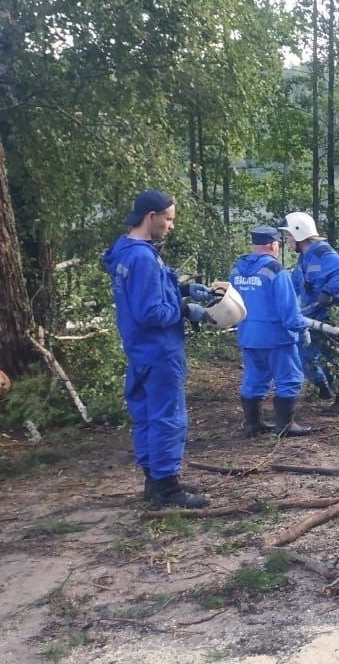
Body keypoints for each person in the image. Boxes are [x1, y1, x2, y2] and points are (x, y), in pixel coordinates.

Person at [101, 190, 211, 508]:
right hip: (160, 349)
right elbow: (151, 312)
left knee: (146, 415)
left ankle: (153, 481)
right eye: (169, 219)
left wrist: (184, 288)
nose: (171, 226)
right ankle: (168, 488)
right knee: (168, 417)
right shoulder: (143, 258)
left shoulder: (126, 250)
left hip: (139, 349)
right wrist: (187, 310)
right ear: (152, 217)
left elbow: (151, 290)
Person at [230, 226, 313, 438]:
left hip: (248, 335)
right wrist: (301, 328)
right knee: (289, 378)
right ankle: (285, 426)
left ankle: (253, 425)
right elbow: (288, 308)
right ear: (273, 245)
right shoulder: (275, 270)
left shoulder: (236, 270)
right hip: (277, 337)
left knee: (254, 378)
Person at [279, 211, 339, 410]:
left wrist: (329, 292)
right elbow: (296, 284)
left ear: (299, 234)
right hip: (312, 314)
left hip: (332, 314)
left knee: (335, 355)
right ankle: (323, 386)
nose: (287, 241)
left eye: (288, 237)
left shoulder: (323, 254)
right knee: (305, 352)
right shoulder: (304, 259)